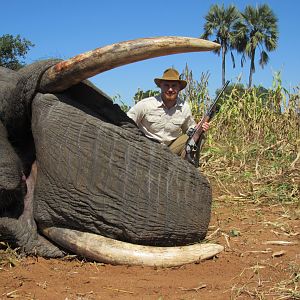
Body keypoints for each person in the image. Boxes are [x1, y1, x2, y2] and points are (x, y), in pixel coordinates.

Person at [127, 68, 209, 157]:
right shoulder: (145, 104)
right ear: (160, 86)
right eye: (166, 85)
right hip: (146, 148)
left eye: (174, 86)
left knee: (199, 137)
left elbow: (189, 129)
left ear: (179, 88)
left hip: (170, 150)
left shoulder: (184, 107)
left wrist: (200, 128)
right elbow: (127, 122)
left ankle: (183, 166)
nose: (170, 89)